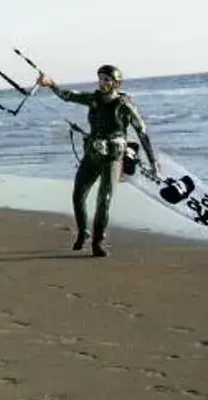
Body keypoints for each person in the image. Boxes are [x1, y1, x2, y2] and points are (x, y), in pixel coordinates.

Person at [38, 64, 157, 257]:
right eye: (101, 79)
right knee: (78, 195)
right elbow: (67, 96)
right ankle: (83, 232)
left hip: (112, 158)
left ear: (117, 83)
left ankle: (98, 241)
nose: (102, 83)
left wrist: (153, 162)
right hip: (92, 155)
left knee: (104, 200)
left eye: (107, 79)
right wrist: (50, 83)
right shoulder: (93, 99)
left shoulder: (124, 105)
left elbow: (141, 132)